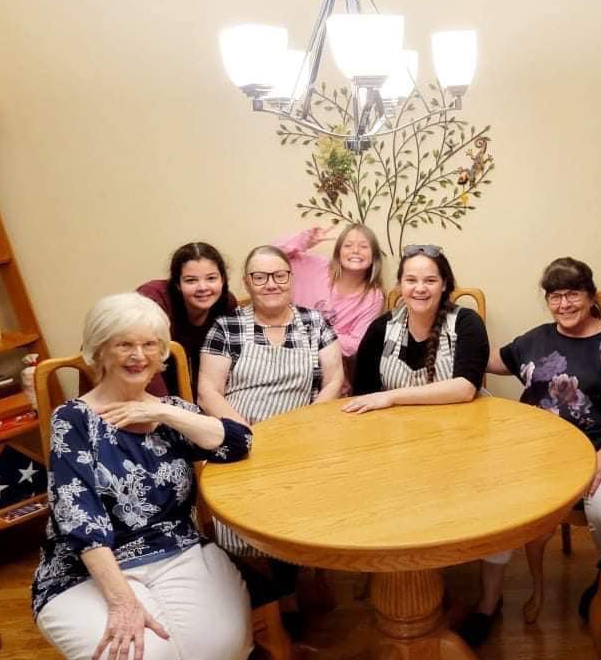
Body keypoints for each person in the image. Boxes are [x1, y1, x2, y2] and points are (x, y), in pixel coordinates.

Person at [32, 293, 253, 660]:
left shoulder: (168, 411)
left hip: (178, 550)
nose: (138, 356)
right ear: (98, 351)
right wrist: (122, 602)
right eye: (124, 344)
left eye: (150, 344)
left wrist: (163, 412)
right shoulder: (74, 419)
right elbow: (81, 518)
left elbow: (236, 443)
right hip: (89, 568)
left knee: (213, 656)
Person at [457, 257, 601, 647]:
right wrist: (457, 344)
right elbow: (490, 361)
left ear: (590, 296)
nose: (564, 304)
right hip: (545, 455)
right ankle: (488, 603)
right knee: (503, 506)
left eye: (573, 294)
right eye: (555, 296)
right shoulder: (537, 339)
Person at [197, 244, 343, 637]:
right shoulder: (228, 326)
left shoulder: (315, 323)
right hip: (242, 439)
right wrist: (243, 431)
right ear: (247, 283)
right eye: (259, 277)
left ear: (292, 279)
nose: (271, 284)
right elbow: (208, 392)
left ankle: (286, 594)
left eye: (279, 275)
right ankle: (266, 602)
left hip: (303, 438)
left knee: (300, 513)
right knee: (246, 521)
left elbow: (333, 381)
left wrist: (306, 424)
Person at [344, 244, 488, 414]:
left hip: (458, 428)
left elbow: (465, 388)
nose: (420, 289)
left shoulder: (466, 323)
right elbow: (364, 394)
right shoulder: (381, 329)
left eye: (430, 281)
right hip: (395, 432)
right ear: (400, 285)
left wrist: (391, 397)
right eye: (411, 280)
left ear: (444, 284)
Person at [275, 224, 384, 389]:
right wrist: (304, 240)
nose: (355, 250)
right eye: (348, 245)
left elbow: (355, 344)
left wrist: (311, 333)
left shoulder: (373, 296)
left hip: (329, 373)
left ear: (374, 256)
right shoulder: (315, 266)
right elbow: (270, 257)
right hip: (286, 359)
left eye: (363, 246)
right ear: (338, 252)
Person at [137, 242, 237, 398]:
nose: (203, 287)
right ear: (177, 284)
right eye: (191, 280)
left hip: (194, 397)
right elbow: (142, 359)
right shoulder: (153, 299)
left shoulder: (226, 304)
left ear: (223, 279)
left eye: (211, 278)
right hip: (141, 387)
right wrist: (169, 411)